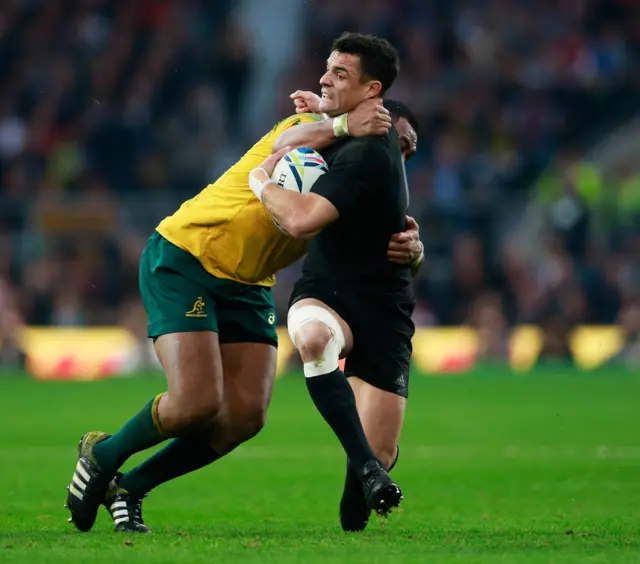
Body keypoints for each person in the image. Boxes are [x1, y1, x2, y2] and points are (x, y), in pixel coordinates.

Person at [64, 91, 423, 532]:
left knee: (246, 416)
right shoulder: (314, 127)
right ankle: (102, 454)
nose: (400, 157)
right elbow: (284, 146)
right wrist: (339, 123)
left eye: (409, 151)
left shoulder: (363, 184)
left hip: (251, 282)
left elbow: (379, 251)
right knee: (196, 403)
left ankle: (131, 487)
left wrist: (414, 250)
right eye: (398, 141)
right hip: (190, 255)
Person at [249, 32, 419, 522]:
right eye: (327, 68)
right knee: (315, 338)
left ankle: (369, 467)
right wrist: (328, 116)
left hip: (385, 310)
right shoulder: (343, 130)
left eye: (339, 74)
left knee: (361, 499)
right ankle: (369, 465)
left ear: (373, 93)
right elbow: (288, 137)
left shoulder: (369, 152)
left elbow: (301, 219)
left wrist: (262, 184)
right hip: (326, 293)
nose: (324, 79)